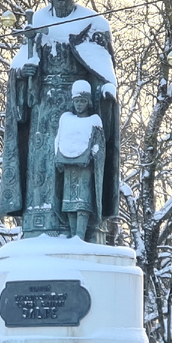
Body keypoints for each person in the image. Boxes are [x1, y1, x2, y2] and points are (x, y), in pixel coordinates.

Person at [1, 0, 119, 240]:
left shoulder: (93, 24)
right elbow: (20, 66)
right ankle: (40, 224)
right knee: (42, 164)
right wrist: (23, 73)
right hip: (43, 108)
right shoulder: (37, 23)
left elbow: (103, 70)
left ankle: (80, 228)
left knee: (77, 168)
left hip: (78, 108)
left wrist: (105, 92)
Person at [54, 81, 106, 240]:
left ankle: (80, 235)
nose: (79, 104)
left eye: (82, 101)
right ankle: (72, 234)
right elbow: (58, 141)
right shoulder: (66, 119)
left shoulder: (94, 122)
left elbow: (99, 146)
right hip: (69, 168)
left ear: (88, 103)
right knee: (69, 202)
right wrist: (59, 159)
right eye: (76, 101)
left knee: (82, 202)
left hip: (85, 169)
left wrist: (92, 157)